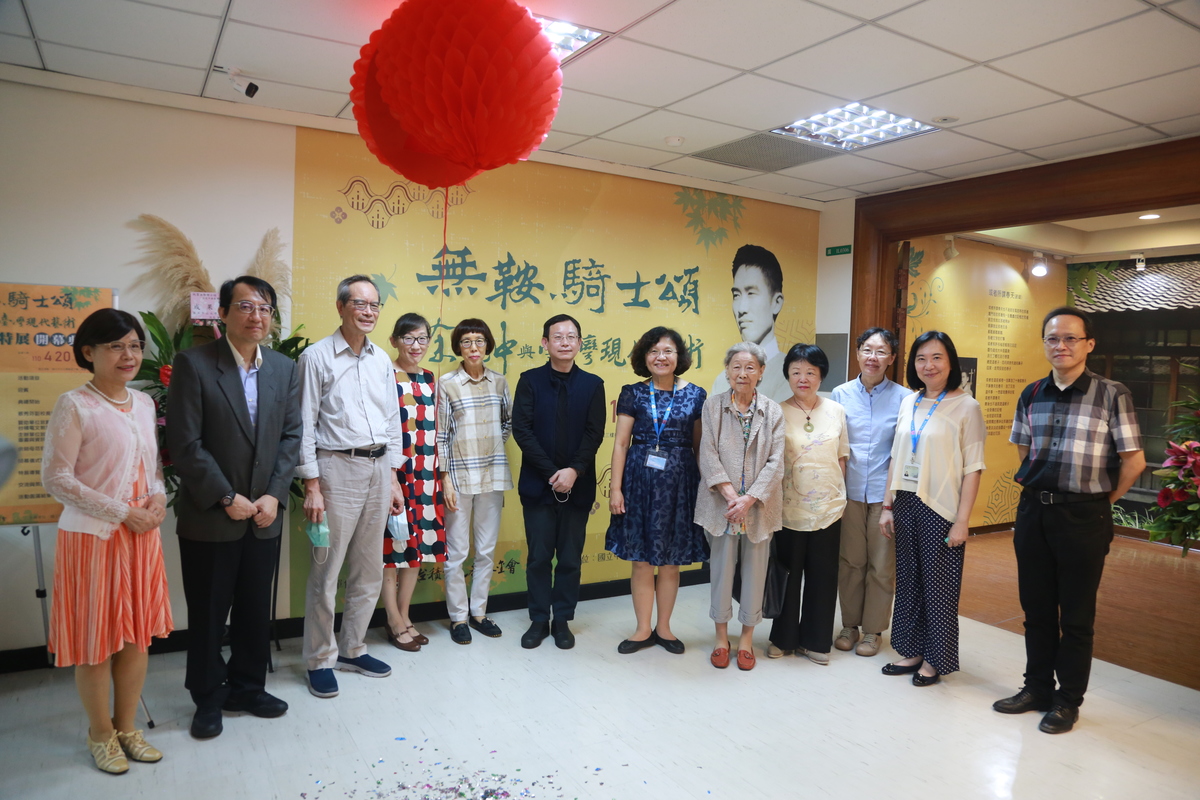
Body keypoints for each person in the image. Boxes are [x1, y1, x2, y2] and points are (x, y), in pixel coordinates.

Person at [994, 307, 1144, 734]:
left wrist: (1099, 499)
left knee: (1076, 616)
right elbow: (1023, 451)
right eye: (1052, 338)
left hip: (1084, 516)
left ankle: (1067, 701)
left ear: (1089, 344)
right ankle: (1036, 689)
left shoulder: (1113, 394)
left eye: (1070, 338)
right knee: (1036, 609)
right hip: (1033, 512)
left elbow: (1134, 461)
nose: (1060, 346)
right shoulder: (1032, 392)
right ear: (1044, 344)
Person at [166, 276, 301, 738]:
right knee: (207, 613)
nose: (256, 316)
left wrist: (272, 495)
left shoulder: (284, 368)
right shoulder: (195, 364)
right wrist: (227, 496)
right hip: (212, 515)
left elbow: (290, 437)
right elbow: (184, 444)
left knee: (251, 609)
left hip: (263, 514)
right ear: (223, 313)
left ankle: (248, 686)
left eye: (264, 308)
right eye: (245, 306)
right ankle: (207, 696)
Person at [42, 308, 172, 774]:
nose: (128, 354)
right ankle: (100, 734)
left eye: (135, 345)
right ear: (88, 352)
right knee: (96, 641)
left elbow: (152, 468)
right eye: (116, 346)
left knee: (137, 636)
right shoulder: (75, 404)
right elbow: (56, 478)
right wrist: (124, 513)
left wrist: (156, 502)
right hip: (93, 539)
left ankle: (126, 727)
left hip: (141, 536)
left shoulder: (143, 403)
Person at [298, 275, 405, 699]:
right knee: (327, 569)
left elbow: (393, 420)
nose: (368, 311)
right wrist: (312, 485)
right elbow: (304, 424)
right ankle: (319, 657)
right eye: (359, 303)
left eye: (375, 305)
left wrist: (394, 477)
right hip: (335, 469)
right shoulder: (317, 357)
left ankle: (353, 648)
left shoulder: (381, 360)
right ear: (340, 306)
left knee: (369, 567)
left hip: (379, 469)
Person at [879, 330, 985, 686]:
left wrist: (962, 521)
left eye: (937, 357)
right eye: (921, 358)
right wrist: (887, 505)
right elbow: (897, 454)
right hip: (905, 501)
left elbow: (974, 468)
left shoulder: (967, 406)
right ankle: (911, 650)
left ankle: (935, 660)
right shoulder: (910, 401)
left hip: (941, 507)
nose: (929, 365)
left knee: (939, 587)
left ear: (951, 362)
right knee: (908, 582)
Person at [607, 326, 708, 655]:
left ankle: (664, 628)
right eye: (653, 351)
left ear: (678, 357)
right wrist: (615, 489)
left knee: (670, 563)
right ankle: (641, 629)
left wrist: (702, 493)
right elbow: (621, 444)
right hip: (639, 484)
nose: (660, 357)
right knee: (640, 561)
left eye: (667, 351)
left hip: (679, 487)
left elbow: (699, 448)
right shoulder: (632, 393)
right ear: (644, 357)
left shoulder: (696, 394)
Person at [512, 314, 606, 650]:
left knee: (568, 558)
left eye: (571, 336)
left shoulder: (593, 384)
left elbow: (594, 433)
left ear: (580, 343)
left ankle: (563, 619)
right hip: (538, 486)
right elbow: (521, 430)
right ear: (545, 343)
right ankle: (538, 619)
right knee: (538, 557)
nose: (565, 342)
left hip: (577, 487)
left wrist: (573, 471)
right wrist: (553, 472)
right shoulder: (530, 381)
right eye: (558, 336)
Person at [696, 342, 785, 671]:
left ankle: (746, 638)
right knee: (721, 573)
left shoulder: (773, 411)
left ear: (761, 372)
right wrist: (732, 497)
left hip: (759, 509)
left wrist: (749, 499)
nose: (742, 373)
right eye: (736, 366)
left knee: (755, 575)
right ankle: (722, 637)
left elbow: (776, 463)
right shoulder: (714, 407)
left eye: (750, 367)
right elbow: (707, 453)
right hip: (722, 506)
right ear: (727, 371)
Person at [767, 344, 849, 665]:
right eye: (796, 371)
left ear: (821, 375)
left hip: (829, 508)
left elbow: (842, 458)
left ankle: (816, 640)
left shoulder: (836, 411)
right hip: (789, 508)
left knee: (824, 576)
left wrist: (839, 496)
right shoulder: (775, 411)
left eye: (811, 372)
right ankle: (783, 638)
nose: (804, 378)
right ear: (787, 375)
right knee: (788, 575)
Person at [829, 327, 909, 657]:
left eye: (881, 352)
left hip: (884, 494)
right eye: (867, 350)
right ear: (858, 353)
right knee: (850, 562)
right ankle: (849, 624)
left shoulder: (905, 398)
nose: (872, 357)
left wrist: (891, 499)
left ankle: (873, 630)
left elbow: (903, 450)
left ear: (891, 358)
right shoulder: (840, 394)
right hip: (847, 492)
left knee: (880, 564)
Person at [437, 318, 513, 645]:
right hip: (458, 478)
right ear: (458, 347)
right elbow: (440, 435)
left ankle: (478, 613)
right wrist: (445, 479)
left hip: (492, 477)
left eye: (479, 342)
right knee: (457, 552)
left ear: (487, 346)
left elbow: (508, 422)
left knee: (485, 550)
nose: (473, 348)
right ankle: (458, 618)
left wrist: (494, 446)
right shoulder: (447, 383)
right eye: (466, 342)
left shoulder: (499, 382)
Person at [380, 313, 446, 653]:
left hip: (427, 475)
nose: (416, 346)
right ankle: (392, 619)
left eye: (422, 339)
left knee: (416, 548)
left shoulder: (431, 377)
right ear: (394, 341)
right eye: (408, 338)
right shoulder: (385, 374)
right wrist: (391, 477)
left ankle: (406, 616)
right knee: (392, 550)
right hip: (397, 475)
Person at [711, 244, 791, 403]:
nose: (741, 308)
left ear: (776, 302)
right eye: (737, 295)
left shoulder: (790, 375)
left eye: (751, 293)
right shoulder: (722, 380)